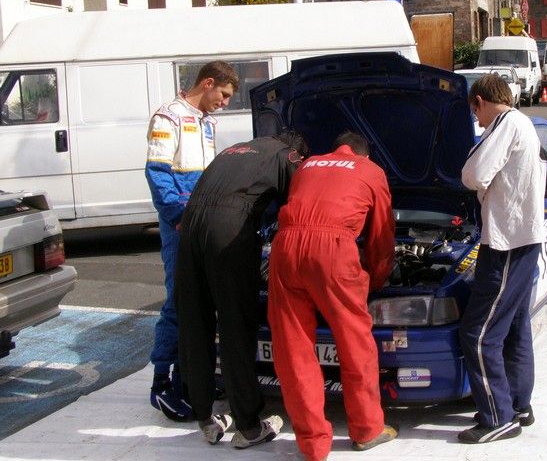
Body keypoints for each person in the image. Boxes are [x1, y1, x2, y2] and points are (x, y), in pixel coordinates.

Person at [267, 132, 397, 461]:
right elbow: (381, 234)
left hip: (285, 248)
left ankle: (312, 444)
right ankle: (367, 429)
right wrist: (377, 278)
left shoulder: (308, 164)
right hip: (332, 250)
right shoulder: (371, 171)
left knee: (292, 348)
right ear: (364, 155)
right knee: (355, 342)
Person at [176, 131, 308, 446]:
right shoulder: (286, 155)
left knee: (195, 321)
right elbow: (301, 204)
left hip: (190, 228)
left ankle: (204, 416)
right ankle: (248, 426)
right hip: (229, 230)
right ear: (298, 152)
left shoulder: (235, 149)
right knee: (235, 323)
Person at [145, 60, 238, 421]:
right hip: (180, 223)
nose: (225, 103)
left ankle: (191, 379)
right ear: (208, 83)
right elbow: (157, 172)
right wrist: (178, 216)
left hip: (202, 219)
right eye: (224, 95)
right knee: (178, 302)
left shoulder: (207, 122)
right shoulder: (168, 116)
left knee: (202, 302)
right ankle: (161, 385)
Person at [458, 73, 547, 444]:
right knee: (514, 326)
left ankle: (497, 418)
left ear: (480, 100)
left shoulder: (506, 124)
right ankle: (518, 405)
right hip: (523, 240)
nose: (477, 122)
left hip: (506, 244)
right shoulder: (523, 124)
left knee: (478, 334)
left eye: (475, 113)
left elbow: (473, 174)